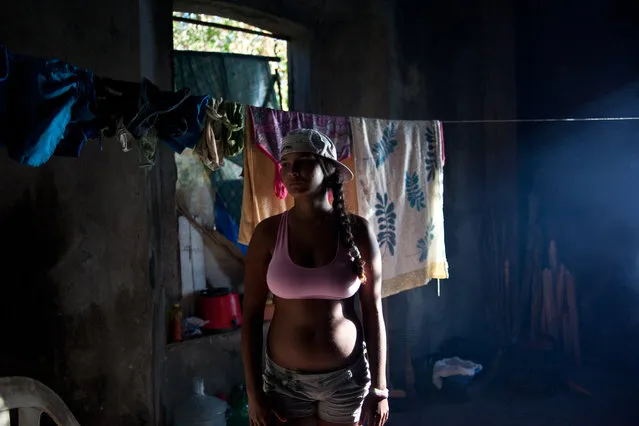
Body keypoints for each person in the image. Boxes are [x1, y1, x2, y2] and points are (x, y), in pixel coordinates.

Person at [241, 128, 390, 426]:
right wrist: (254, 393)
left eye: (304, 161)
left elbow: (373, 312)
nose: (292, 171)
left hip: (346, 380)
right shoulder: (268, 233)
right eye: (285, 163)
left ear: (329, 169)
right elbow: (251, 316)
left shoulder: (357, 231)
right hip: (285, 384)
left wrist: (380, 388)